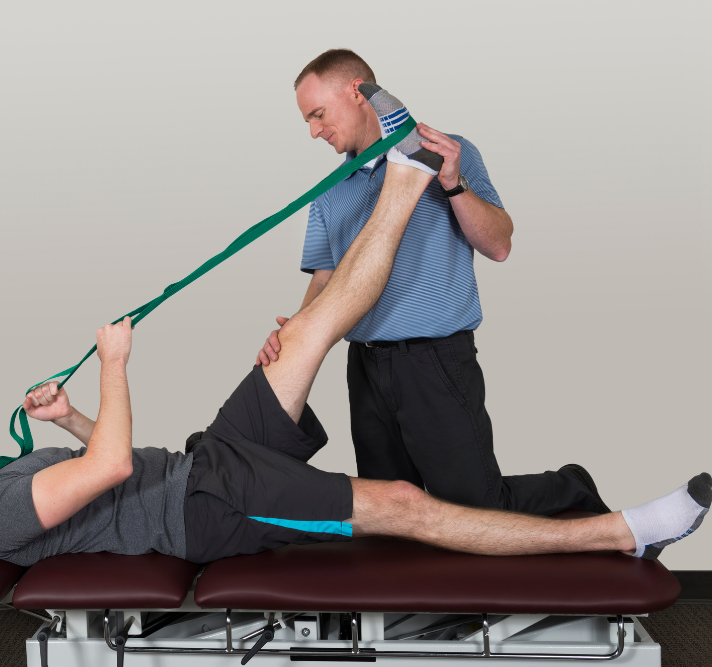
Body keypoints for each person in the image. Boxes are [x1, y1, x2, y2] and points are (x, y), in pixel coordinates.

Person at [0, 120, 711, 566]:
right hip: (209, 510)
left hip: (205, 459)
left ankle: (406, 179)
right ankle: (620, 533)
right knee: (404, 502)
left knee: (311, 327)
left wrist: (72, 414)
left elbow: (97, 464)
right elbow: (113, 472)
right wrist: (112, 365)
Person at [254, 49, 607, 517]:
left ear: (357, 91)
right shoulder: (329, 192)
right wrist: (290, 336)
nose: (314, 131)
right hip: (365, 368)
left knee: (475, 506)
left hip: (436, 361)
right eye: (307, 121)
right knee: (392, 511)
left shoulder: (448, 152)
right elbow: (325, 280)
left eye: (318, 114)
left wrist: (453, 182)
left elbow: (499, 245)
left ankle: (571, 486)